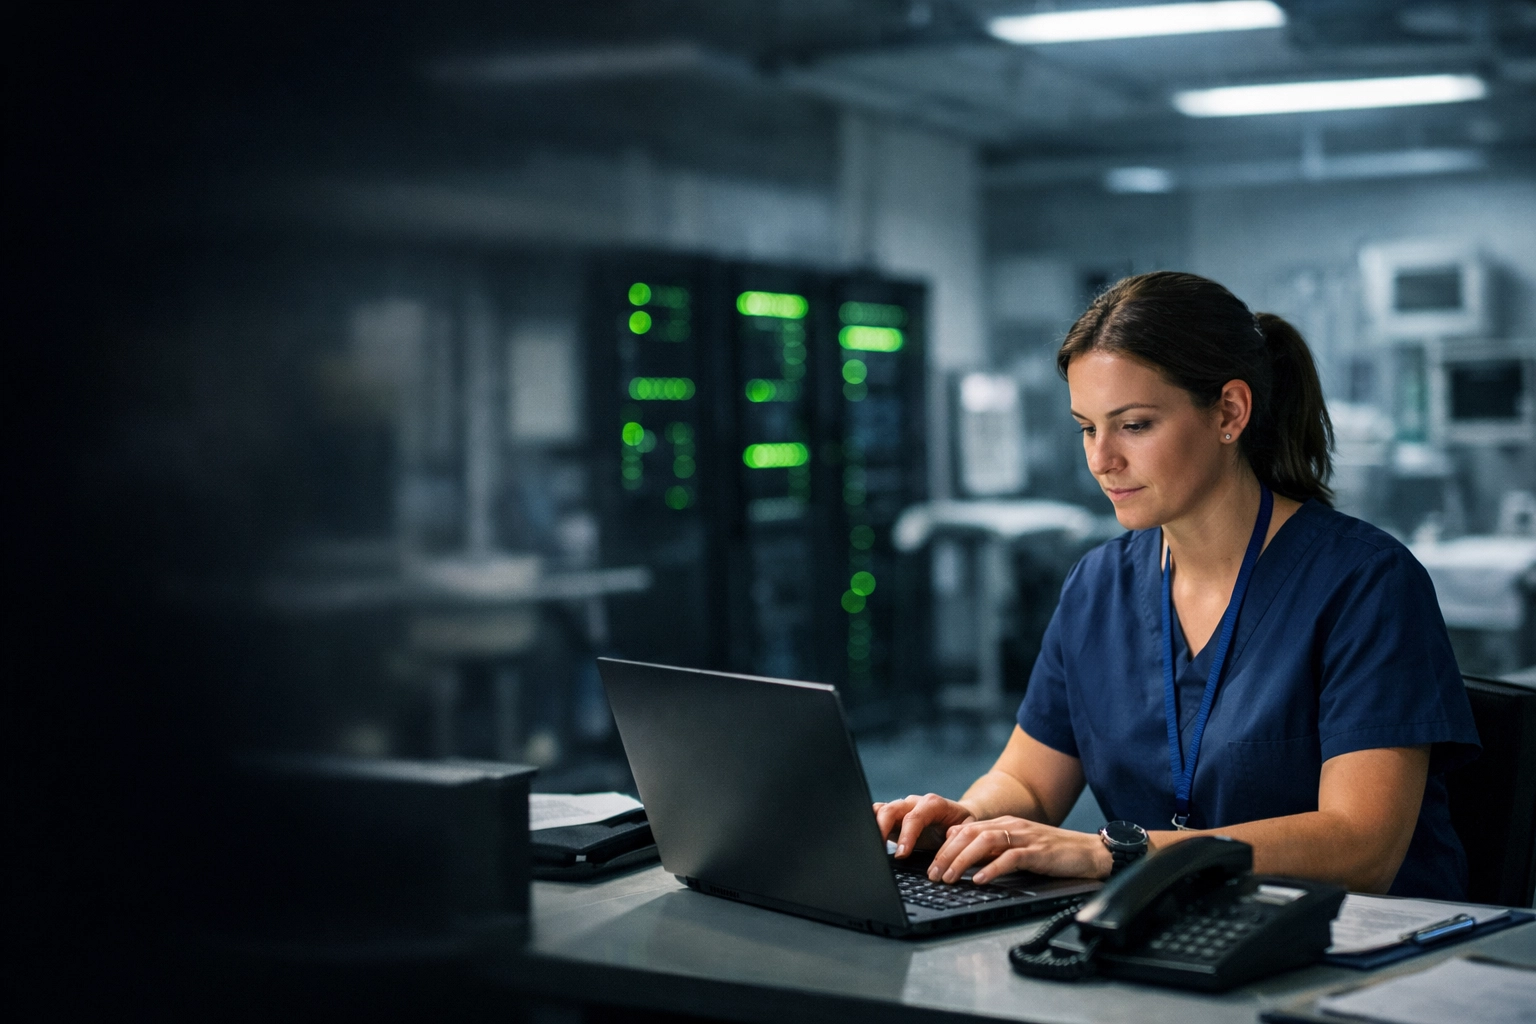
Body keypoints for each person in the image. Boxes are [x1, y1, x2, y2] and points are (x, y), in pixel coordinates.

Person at [876, 271, 1479, 899]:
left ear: (1229, 412)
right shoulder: (1098, 587)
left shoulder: (1364, 583)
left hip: (1359, 957)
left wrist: (1112, 853)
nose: (1101, 459)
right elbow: (1028, 784)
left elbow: (1362, 847)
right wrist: (972, 821)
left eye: (1134, 425)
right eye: (1087, 426)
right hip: (1177, 935)